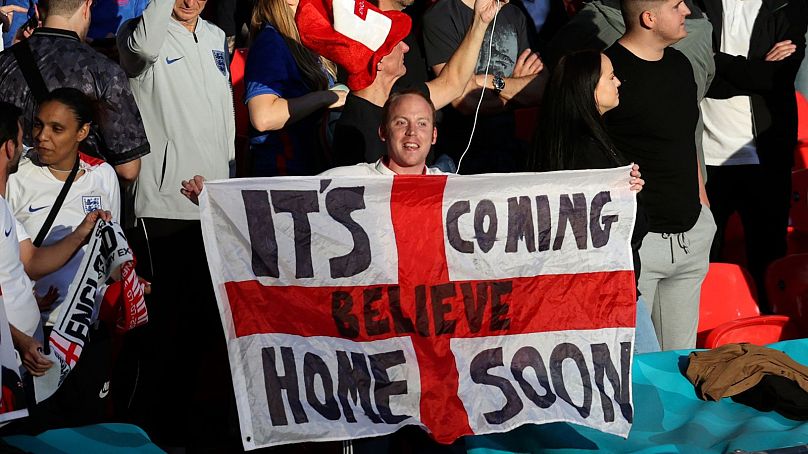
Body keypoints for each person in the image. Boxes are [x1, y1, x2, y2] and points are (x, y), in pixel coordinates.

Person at [116, 0, 236, 448]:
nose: (189, 2)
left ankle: (194, 429)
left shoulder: (211, 36)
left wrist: (228, 183)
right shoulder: (137, 33)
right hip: (163, 207)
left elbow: (224, 117)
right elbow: (143, 46)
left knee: (205, 328)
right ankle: (152, 430)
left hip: (212, 205)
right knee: (164, 330)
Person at [600, 0, 716, 351]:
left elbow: (686, 138)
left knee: (681, 364)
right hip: (636, 246)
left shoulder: (680, 65)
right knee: (636, 372)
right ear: (649, 18)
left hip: (691, 234)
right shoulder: (607, 72)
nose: (687, 11)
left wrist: (703, 208)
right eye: (676, 5)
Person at [527, 49, 657, 353]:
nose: (619, 82)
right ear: (589, 88)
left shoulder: (560, 141)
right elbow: (629, 228)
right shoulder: (588, 149)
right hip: (610, 296)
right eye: (610, 77)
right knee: (647, 387)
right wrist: (632, 202)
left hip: (582, 295)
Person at [5, 88, 119, 431]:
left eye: (57, 129)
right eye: (38, 126)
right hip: (35, 334)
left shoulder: (103, 176)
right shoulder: (16, 174)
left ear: (82, 133)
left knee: (88, 430)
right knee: (42, 434)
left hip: (87, 331)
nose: (42, 137)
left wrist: (128, 281)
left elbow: (111, 248)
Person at [296, 0, 506, 167]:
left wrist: (480, 21)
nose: (406, 48)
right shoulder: (356, 132)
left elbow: (452, 82)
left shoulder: (396, 99)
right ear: (377, 63)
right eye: (395, 43)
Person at [698, 0, 808, 311]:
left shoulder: (787, 5)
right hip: (706, 160)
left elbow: (776, 78)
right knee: (704, 262)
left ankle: (771, 344)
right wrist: (754, 67)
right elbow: (693, 70)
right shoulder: (694, 4)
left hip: (765, 157)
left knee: (769, 260)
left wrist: (715, 62)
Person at [0, 0, 149, 185]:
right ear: (86, 8)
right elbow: (128, 169)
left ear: (37, 12)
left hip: (11, 197)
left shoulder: (3, 63)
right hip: (81, 201)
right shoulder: (104, 71)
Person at [423, 0, 546, 174]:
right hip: (460, 158)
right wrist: (516, 92)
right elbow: (463, 100)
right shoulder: (441, 15)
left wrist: (487, 81)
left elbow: (542, 89)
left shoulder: (516, 14)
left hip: (511, 153)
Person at [244, 0, 347, 176]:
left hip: (309, 172)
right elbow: (263, 117)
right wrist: (326, 98)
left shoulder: (302, 37)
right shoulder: (271, 42)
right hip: (283, 176)